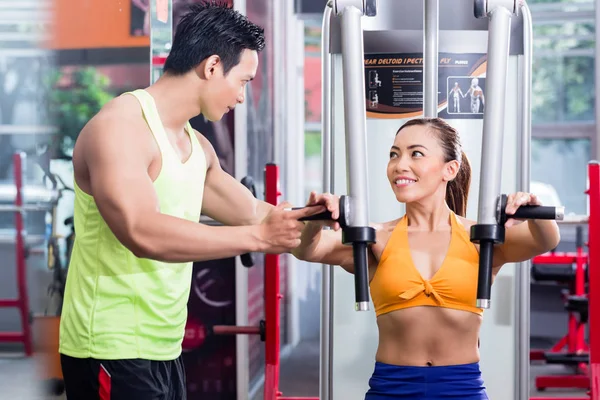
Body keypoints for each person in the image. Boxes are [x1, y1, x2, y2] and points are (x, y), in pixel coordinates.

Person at [58, 3, 322, 399]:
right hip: (109, 348)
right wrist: (258, 239)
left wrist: (314, 218)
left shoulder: (196, 146)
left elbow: (253, 212)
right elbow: (142, 231)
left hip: (164, 348)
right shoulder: (120, 129)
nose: (243, 97)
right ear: (213, 66)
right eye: (244, 81)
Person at [293, 117, 560, 399]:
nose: (400, 165)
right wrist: (315, 219)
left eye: (415, 153)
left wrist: (533, 208)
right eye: (394, 154)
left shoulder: (480, 237)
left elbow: (546, 239)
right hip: (392, 388)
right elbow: (308, 249)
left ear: (450, 169)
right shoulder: (376, 238)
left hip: (461, 388)